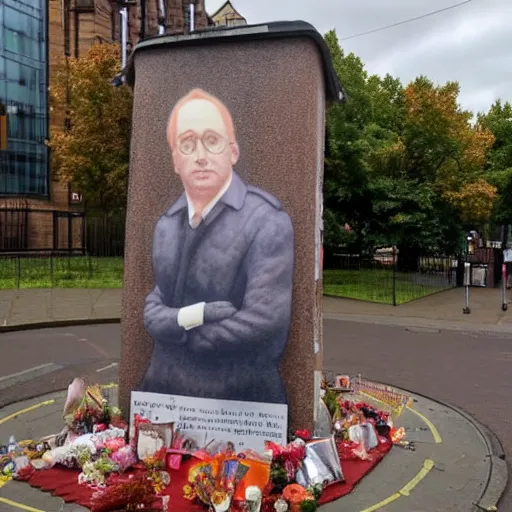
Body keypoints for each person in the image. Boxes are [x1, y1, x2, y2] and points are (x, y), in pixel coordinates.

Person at [138, 88, 294, 404]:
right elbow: (152, 312)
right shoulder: (165, 226)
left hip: (237, 400)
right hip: (162, 394)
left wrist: (179, 332)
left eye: (212, 140)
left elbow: (264, 321)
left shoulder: (266, 220)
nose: (200, 155)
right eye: (187, 143)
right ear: (175, 160)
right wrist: (200, 314)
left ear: (232, 151)